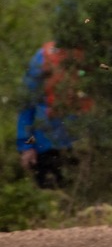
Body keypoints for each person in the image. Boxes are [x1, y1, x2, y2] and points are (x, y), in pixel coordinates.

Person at [16, 42, 85, 189]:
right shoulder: (43, 57)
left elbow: (26, 104)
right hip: (53, 146)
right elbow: (27, 105)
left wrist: (26, 146)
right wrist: (26, 146)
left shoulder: (43, 56)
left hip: (76, 145)